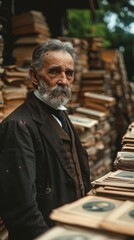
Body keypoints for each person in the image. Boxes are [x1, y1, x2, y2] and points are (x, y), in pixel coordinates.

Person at [0, 39, 91, 240]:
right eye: (54, 72)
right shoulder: (17, 126)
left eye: (69, 73)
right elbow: (21, 211)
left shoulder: (61, 114)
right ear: (34, 76)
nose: (64, 80)